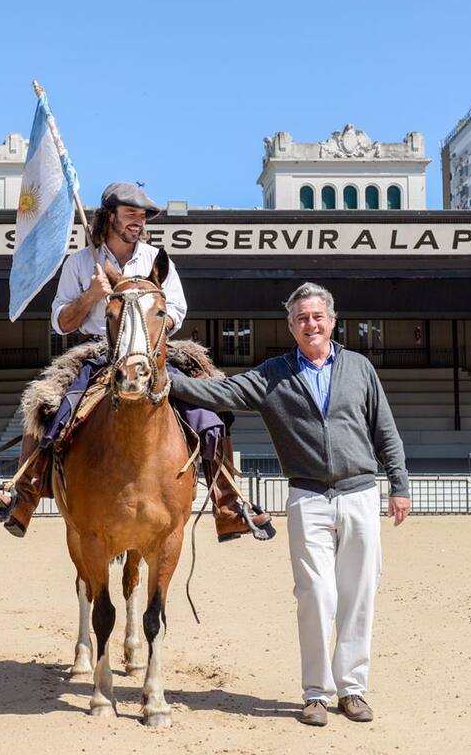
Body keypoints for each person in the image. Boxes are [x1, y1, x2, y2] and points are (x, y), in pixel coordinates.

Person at [167, 282, 412, 727]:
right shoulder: (272, 374)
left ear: (332, 321)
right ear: (291, 326)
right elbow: (220, 394)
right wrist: (167, 381)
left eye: (318, 316)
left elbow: (385, 430)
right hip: (308, 497)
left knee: (359, 595)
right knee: (315, 594)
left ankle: (353, 690)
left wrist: (400, 484)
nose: (311, 324)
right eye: (302, 318)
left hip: (359, 494)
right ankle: (316, 693)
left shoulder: (359, 367)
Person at [0, 181, 274, 542]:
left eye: (142, 216)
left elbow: (176, 311)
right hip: (96, 352)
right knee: (46, 405)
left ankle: (229, 505)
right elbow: (61, 322)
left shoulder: (155, 259)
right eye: (130, 213)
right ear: (109, 216)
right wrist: (92, 296)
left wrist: (140, 309)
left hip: (150, 349)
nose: (138, 221)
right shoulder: (80, 262)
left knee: (210, 411)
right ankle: (21, 497)